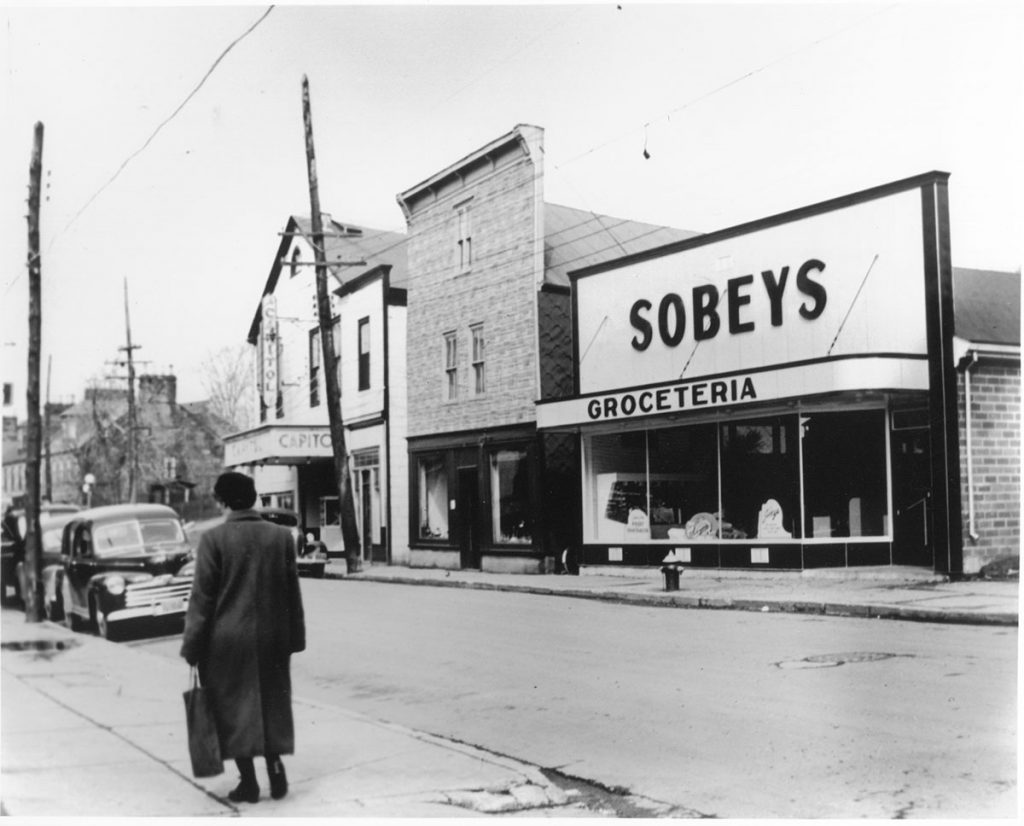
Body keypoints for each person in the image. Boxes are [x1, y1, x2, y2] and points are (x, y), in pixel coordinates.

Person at [180, 471, 306, 804]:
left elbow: (202, 600)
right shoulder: (281, 537)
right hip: (272, 638)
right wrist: (295, 637)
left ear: (222, 501)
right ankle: (275, 766)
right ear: (252, 498)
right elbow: (292, 592)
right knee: (271, 703)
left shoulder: (213, 540)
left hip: (226, 643)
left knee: (232, 710)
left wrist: (192, 646)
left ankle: (248, 782)